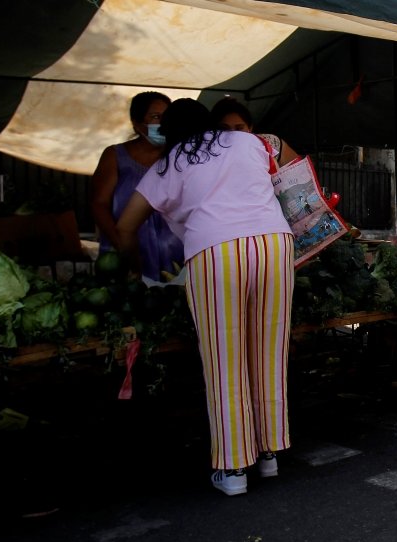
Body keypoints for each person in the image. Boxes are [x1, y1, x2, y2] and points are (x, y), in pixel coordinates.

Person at [114, 99, 295, 497]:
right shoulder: (247, 143)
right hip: (274, 244)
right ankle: (269, 456)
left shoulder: (165, 167)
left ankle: (233, 471)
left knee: (223, 361)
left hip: (216, 252)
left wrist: (132, 266)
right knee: (268, 350)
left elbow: (126, 227)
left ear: (173, 132)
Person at [89, 91, 185, 282]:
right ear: (136, 122)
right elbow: (99, 204)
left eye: (167, 116)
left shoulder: (180, 155)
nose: (163, 123)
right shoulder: (115, 155)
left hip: (172, 254)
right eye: (155, 117)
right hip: (124, 253)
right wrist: (122, 246)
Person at [210, 96, 300, 168]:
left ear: (250, 128)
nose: (233, 133)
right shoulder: (206, 154)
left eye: (239, 128)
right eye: (224, 128)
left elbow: (300, 174)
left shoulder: (270, 143)